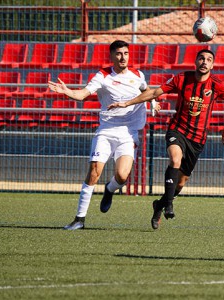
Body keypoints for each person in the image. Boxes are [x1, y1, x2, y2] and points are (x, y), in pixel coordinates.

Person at [108, 49, 224, 230]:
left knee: (182, 181)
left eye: (209, 60)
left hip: (198, 138)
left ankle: (160, 205)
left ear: (212, 65)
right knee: (175, 159)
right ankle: (168, 205)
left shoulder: (216, 84)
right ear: (195, 61)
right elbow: (155, 93)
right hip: (178, 130)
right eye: (201, 58)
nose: (204, 62)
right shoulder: (182, 78)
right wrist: (127, 103)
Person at [48, 40, 159, 230]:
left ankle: (109, 190)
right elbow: (83, 94)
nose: (123, 57)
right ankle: (79, 219)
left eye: (125, 53)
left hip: (128, 134)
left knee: (122, 177)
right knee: (94, 172)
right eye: (118, 54)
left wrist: (153, 102)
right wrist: (67, 92)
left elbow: (146, 91)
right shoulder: (103, 75)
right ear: (112, 56)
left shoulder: (138, 74)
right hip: (106, 131)